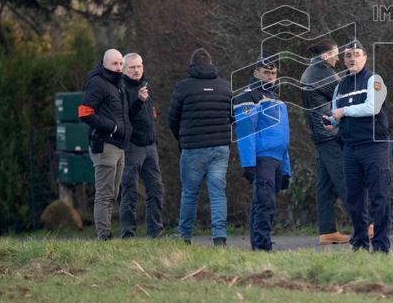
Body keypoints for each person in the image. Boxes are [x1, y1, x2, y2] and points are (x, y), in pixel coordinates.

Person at [325, 40, 391, 253]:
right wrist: (332, 122)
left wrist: (344, 112)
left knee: (378, 197)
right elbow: (336, 114)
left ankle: (381, 246)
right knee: (354, 199)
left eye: (356, 54)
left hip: (374, 147)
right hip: (350, 149)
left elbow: (372, 108)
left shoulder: (375, 80)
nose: (352, 59)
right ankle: (360, 243)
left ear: (365, 57)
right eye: (347, 56)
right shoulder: (340, 86)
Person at [167, 48, 233, 246]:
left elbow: (173, 118)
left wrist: (182, 139)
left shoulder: (183, 87)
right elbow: (233, 116)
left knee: (189, 193)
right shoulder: (225, 87)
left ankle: (185, 236)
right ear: (211, 64)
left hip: (193, 148)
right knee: (218, 193)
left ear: (192, 66)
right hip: (220, 148)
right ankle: (220, 237)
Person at [234, 58, 291, 252]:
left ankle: (260, 245)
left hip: (277, 160)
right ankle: (262, 247)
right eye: (266, 72)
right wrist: (248, 164)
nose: (270, 76)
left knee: (267, 204)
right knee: (264, 204)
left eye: (273, 73)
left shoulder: (279, 101)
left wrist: (287, 170)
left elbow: (284, 137)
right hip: (262, 159)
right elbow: (245, 132)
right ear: (256, 72)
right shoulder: (247, 97)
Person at [300, 39, 353, 244]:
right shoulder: (322, 74)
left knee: (324, 185)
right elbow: (346, 96)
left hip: (320, 135)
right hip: (329, 135)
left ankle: (327, 230)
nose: (338, 58)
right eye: (336, 54)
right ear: (325, 56)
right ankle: (363, 223)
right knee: (343, 178)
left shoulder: (312, 71)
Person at [79, 48, 132, 241]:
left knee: (114, 193)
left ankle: (106, 233)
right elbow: (84, 112)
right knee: (104, 194)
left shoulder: (119, 84)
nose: (118, 67)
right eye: (114, 64)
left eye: (120, 64)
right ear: (105, 64)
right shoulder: (98, 83)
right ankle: (104, 236)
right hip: (105, 145)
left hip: (120, 146)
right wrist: (112, 127)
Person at [118, 53, 163, 238]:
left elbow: (151, 115)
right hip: (132, 146)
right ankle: (128, 234)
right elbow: (124, 116)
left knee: (156, 190)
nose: (136, 70)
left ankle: (155, 233)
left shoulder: (147, 86)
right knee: (130, 191)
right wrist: (139, 101)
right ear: (124, 69)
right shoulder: (120, 89)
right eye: (132, 67)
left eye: (139, 66)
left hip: (151, 146)